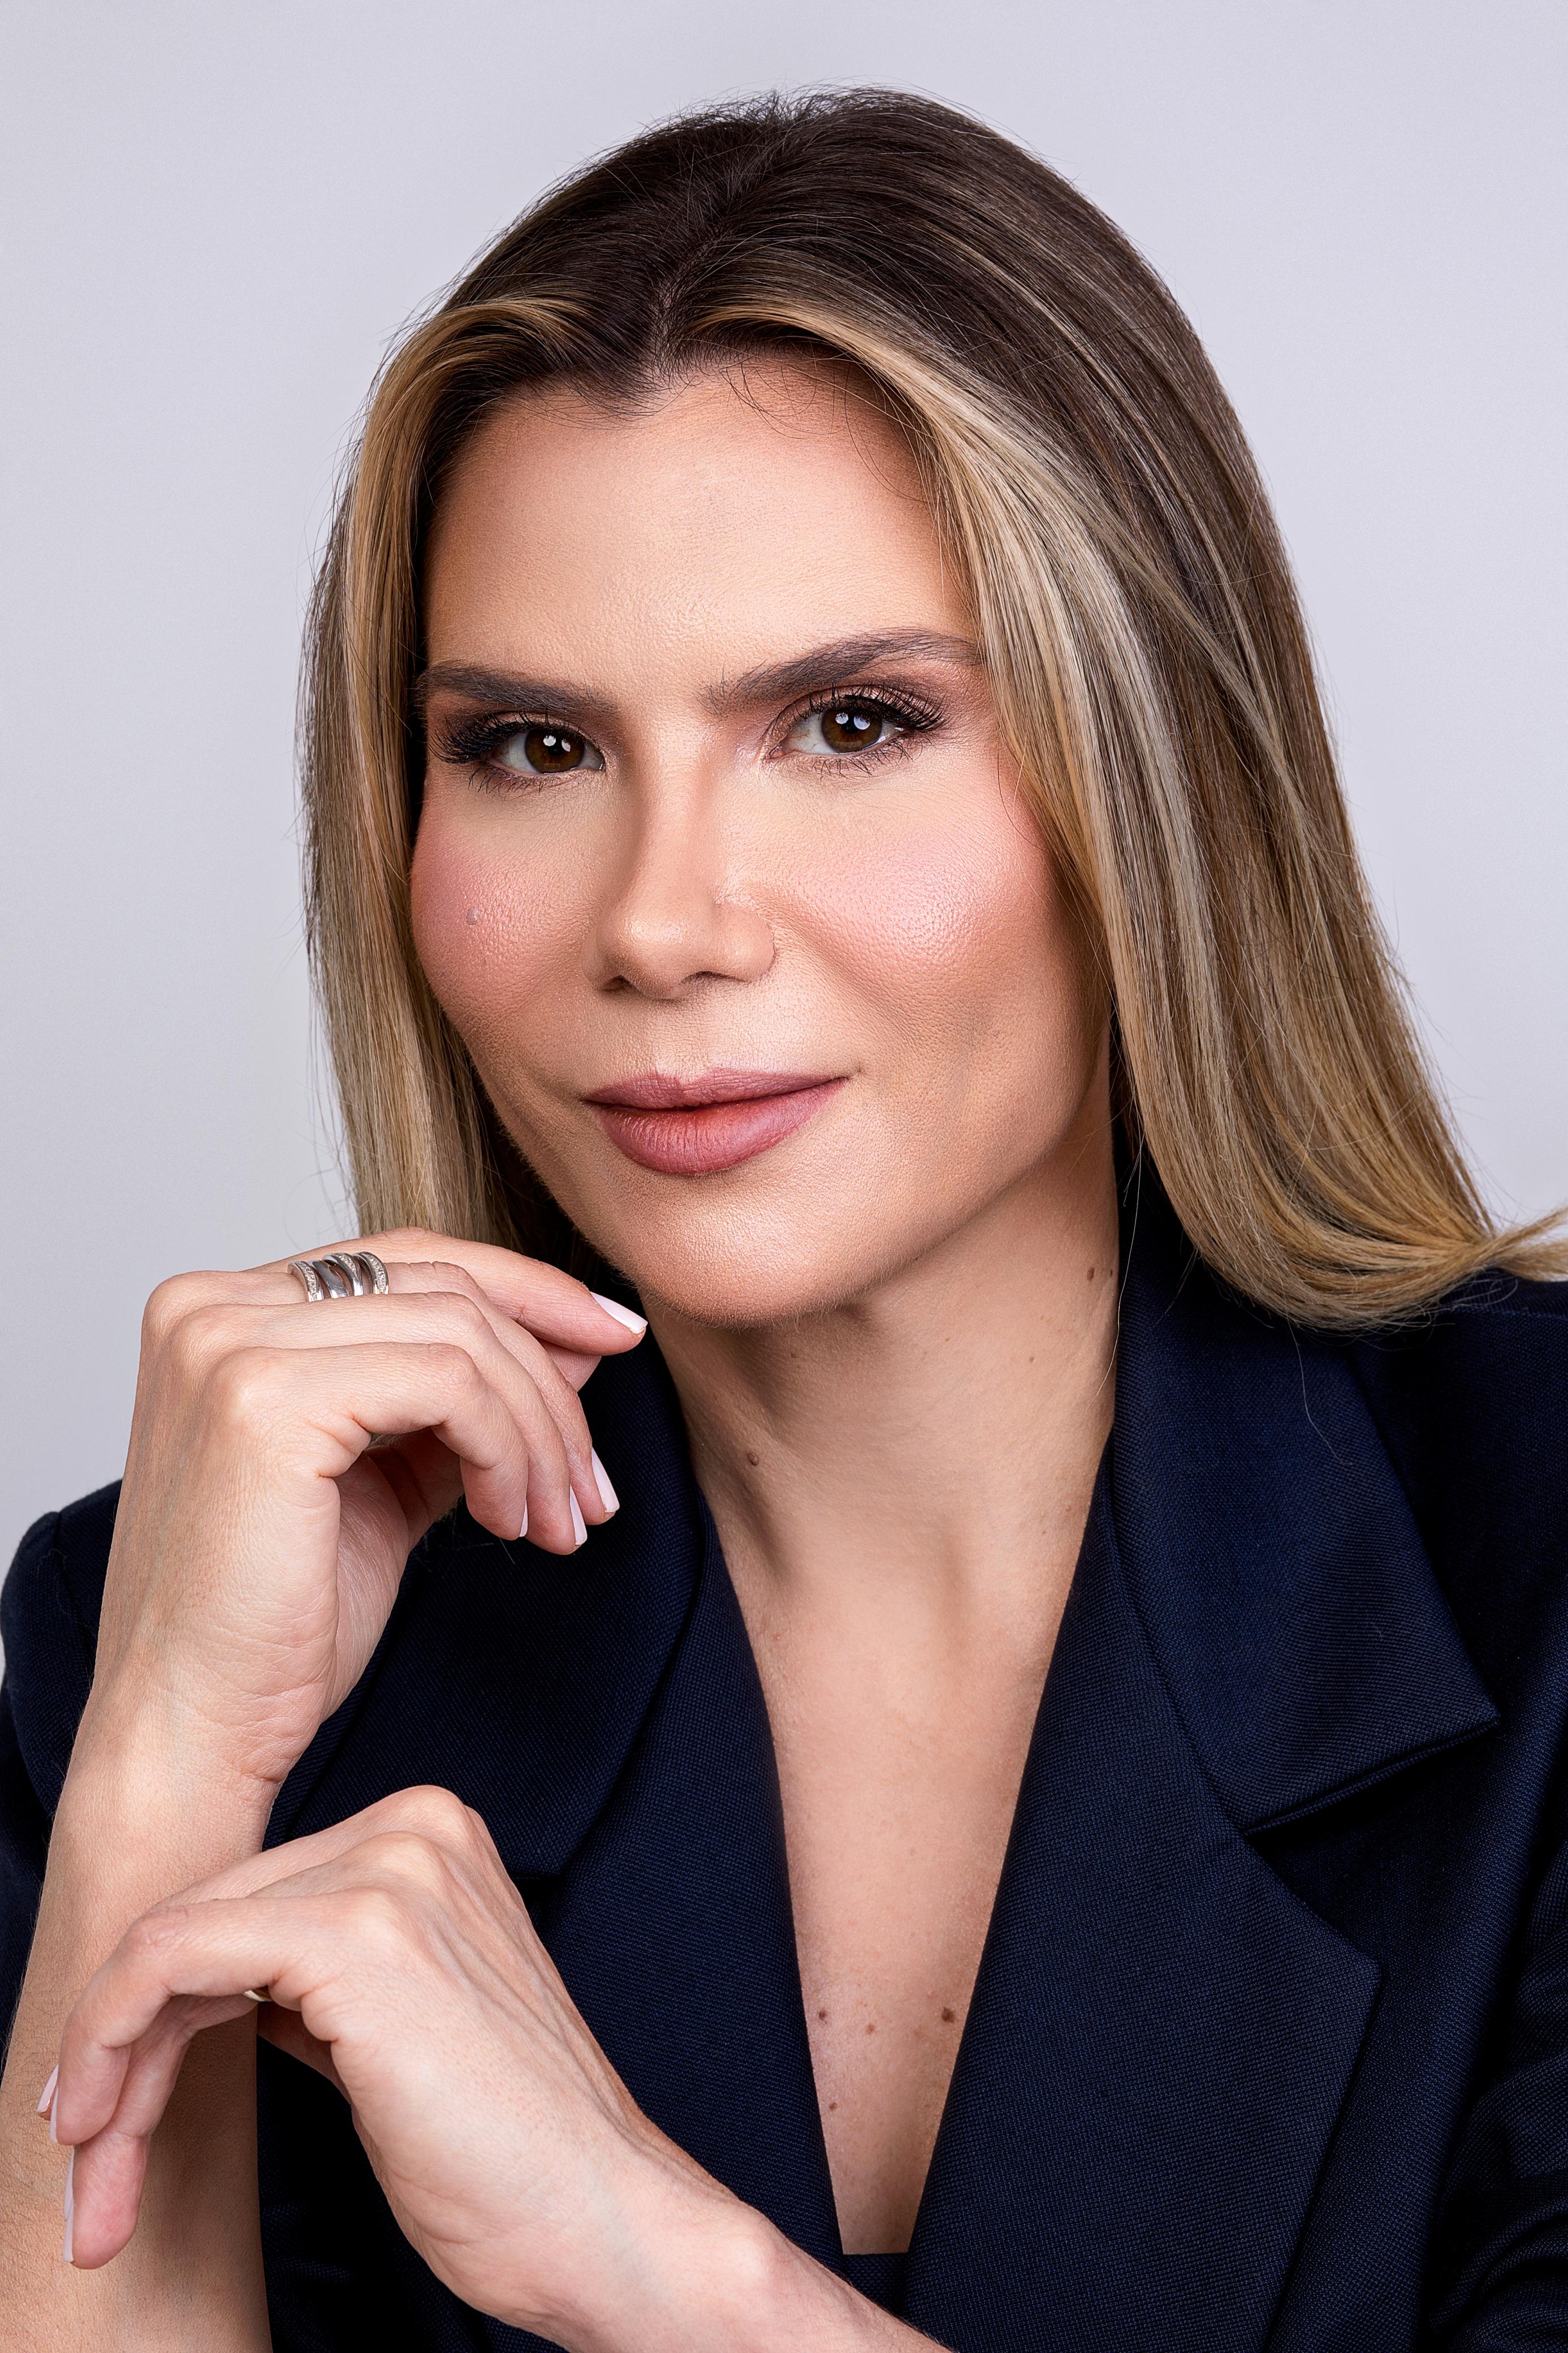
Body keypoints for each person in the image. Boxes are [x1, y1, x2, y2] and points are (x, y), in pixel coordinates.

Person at [1, 88, 1565, 2353]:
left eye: (849, 722)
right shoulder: (189, 1626)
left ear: (1151, 779)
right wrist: (154, 1777)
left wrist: (666, 2272)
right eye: (533, 746)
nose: (662, 923)